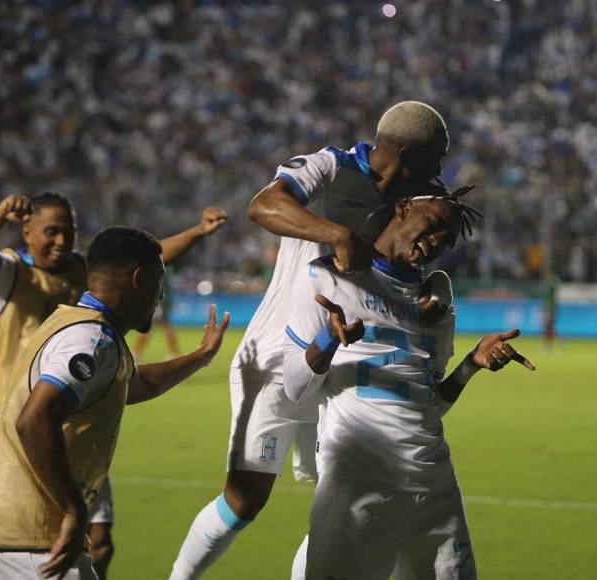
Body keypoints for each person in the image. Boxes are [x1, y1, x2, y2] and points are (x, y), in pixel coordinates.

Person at [170, 101, 456, 579]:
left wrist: (434, 290)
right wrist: (336, 234)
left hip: (347, 367)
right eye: (437, 157)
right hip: (278, 357)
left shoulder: (411, 200)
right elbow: (263, 205)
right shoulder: (332, 165)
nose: (441, 170)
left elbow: (414, 258)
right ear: (407, 152)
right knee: (244, 501)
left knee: (348, 501)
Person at [0, 226, 230, 580]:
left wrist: (201, 356)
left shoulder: (69, 322)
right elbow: (35, 418)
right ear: (139, 279)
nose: (160, 297)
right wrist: (73, 510)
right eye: (159, 282)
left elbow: (137, 382)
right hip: (28, 541)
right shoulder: (91, 339)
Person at [282, 193, 536, 579]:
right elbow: (295, 389)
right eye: (434, 225)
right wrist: (328, 339)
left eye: (448, 240)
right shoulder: (327, 277)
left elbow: (428, 406)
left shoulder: (434, 307)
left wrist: (470, 366)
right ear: (402, 206)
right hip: (361, 478)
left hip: (434, 485)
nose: (437, 242)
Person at [133, 267, 180, 360]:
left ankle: (175, 353)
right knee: (155, 325)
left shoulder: (161, 267)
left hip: (160, 302)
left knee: (158, 325)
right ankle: (137, 351)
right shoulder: (168, 267)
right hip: (163, 301)